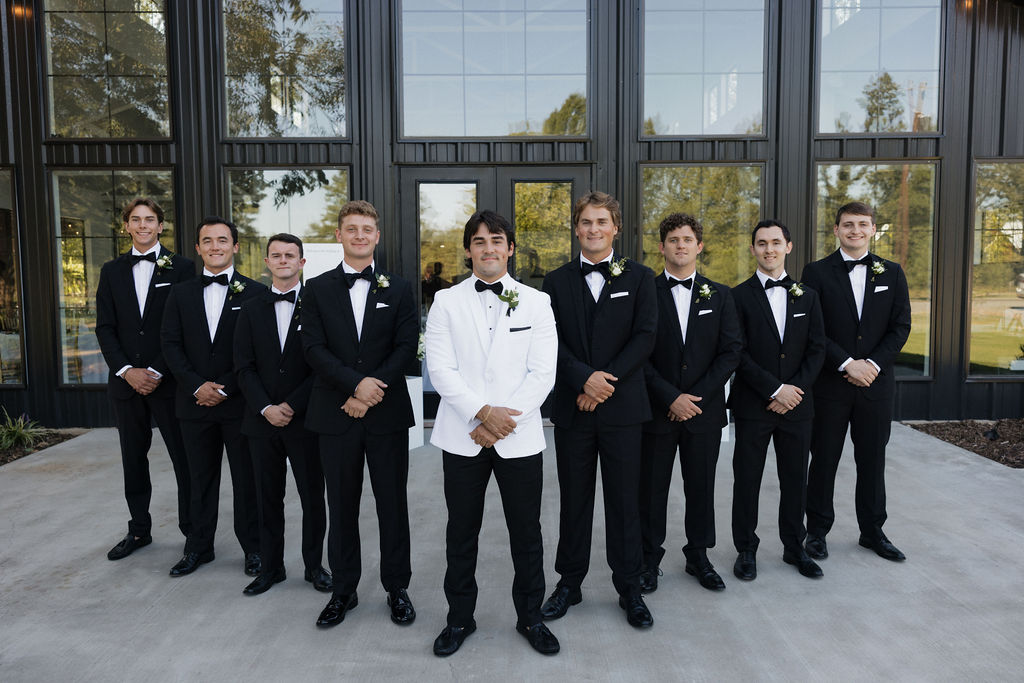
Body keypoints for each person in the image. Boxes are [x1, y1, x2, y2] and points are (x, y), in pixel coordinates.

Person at [425, 210, 560, 657]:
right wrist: (481, 414)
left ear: (510, 248)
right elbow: (440, 369)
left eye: (496, 240)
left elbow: (543, 373)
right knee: (461, 532)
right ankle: (459, 618)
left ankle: (531, 617)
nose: (488, 248)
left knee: (527, 532)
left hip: (518, 438)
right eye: (479, 241)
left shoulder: (536, 302)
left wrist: (503, 422)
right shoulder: (445, 302)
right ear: (468, 250)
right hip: (463, 436)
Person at [540, 191, 656, 629]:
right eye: (585, 222)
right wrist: (582, 379)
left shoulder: (641, 278)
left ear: (616, 228)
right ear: (576, 228)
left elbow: (645, 337)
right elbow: (552, 341)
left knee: (626, 502)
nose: (593, 229)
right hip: (575, 408)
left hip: (623, 409)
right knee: (574, 501)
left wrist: (603, 382)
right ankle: (569, 583)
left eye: (601, 221)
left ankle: (630, 587)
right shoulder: (556, 280)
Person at [302, 200, 418, 628]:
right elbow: (312, 348)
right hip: (334, 415)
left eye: (367, 229)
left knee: (392, 505)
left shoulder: (400, 288)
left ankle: (397, 587)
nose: (360, 236)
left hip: (385, 416)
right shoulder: (315, 288)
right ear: (338, 235)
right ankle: (343, 590)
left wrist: (369, 392)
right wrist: (353, 386)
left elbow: (406, 347)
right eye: (351, 229)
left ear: (377, 235)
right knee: (342, 505)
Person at [801, 201, 911, 563]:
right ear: (836, 230)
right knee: (824, 460)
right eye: (848, 224)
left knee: (872, 460)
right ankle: (816, 532)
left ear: (874, 229)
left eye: (863, 224)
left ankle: (872, 531)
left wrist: (872, 365)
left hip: (875, 387)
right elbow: (812, 329)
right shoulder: (815, 273)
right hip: (831, 386)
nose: (855, 230)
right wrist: (848, 363)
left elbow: (900, 327)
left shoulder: (892, 273)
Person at [639, 213, 742, 594]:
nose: (680, 246)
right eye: (673, 240)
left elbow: (731, 351)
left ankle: (698, 555)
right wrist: (671, 397)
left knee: (701, 487)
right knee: (651, 490)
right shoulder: (644, 292)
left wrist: (694, 398)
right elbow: (638, 353)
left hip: (703, 411)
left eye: (687, 239)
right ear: (662, 246)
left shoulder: (721, 295)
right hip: (656, 411)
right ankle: (648, 559)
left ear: (699, 246)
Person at [160, 216, 264, 577]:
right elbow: (170, 344)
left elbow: (257, 352)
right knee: (197, 479)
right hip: (193, 404)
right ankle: (198, 546)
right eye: (208, 241)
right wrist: (195, 386)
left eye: (222, 240)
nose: (215, 247)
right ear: (198, 248)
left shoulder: (255, 293)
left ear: (235, 246)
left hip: (239, 404)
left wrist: (225, 387)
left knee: (246, 480)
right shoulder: (181, 292)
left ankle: (254, 548)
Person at [96, 198, 194, 561]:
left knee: (183, 459)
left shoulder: (182, 268)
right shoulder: (111, 271)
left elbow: (185, 327)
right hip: (125, 383)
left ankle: (193, 532)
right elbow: (105, 327)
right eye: (135, 220)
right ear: (126, 226)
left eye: (149, 219)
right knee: (133, 458)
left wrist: (156, 370)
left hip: (168, 381)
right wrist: (127, 371)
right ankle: (139, 530)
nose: (142, 225)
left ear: (161, 225)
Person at [233, 233, 330, 596]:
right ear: (267, 262)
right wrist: (266, 407)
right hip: (261, 421)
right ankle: (271, 568)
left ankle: (314, 566)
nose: (284, 260)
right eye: (277, 255)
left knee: (311, 497)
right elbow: (243, 366)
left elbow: (321, 364)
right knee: (266, 497)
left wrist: (292, 405)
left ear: (302, 262)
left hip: (305, 419)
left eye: (291, 255)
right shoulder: (251, 308)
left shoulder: (318, 305)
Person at [728, 220, 825, 581]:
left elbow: (817, 350)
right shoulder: (736, 296)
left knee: (795, 479)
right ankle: (746, 549)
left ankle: (794, 547)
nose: (769, 249)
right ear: (752, 249)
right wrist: (773, 390)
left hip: (798, 406)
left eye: (775, 242)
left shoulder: (808, 296)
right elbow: (737, 352)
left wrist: (792, 391)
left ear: (789, 246)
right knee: (747, 479)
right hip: (755, 405)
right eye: (762, 243)